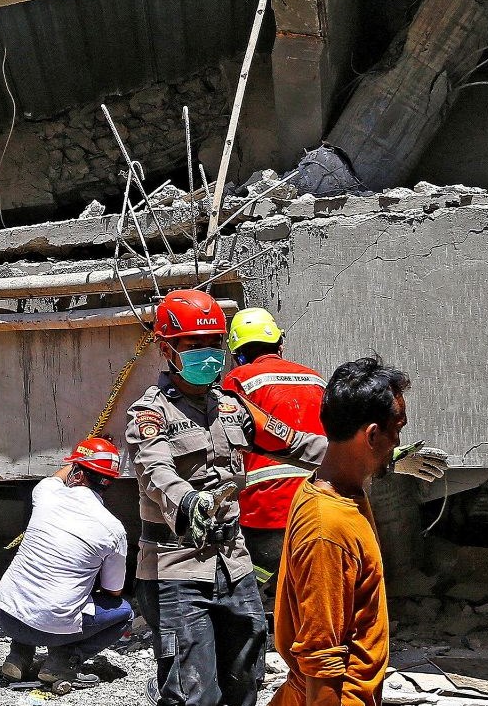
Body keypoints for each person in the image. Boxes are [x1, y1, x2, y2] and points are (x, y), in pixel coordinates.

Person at [126, 289, 328, 706]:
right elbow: (155, 470)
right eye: (193, 345)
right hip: (174, 568)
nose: (208, 353)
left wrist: (373, 452)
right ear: (167, 349)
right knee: (194, 692)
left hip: (234, 563)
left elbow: (297, 443)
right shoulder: (149, 413)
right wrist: (189, 502)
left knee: (245, 679)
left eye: (214, 342)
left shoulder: (235, 408)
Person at [271, 357, 415, 706]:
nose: (397, 442)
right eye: (396, 430)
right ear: (372, 435)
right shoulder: (328, 528)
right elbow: (321, 660)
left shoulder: (342, 488)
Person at [0, 437, 133, 695]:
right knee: (124, 611)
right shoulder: (114, 530)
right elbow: (114, 592)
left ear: (78, 474)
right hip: (53, 628)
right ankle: (62, 661)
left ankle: (18, 657)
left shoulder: (46, 494)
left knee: (31, 585)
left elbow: (59, 475)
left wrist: (83, 454)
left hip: (8, 615)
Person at [221, 308, 327, 599]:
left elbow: (228, 436)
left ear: (237, 353)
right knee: (311, 577)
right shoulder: (315, 379)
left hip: (266, 505)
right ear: (280, 343)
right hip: (317, 497)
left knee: (248, 581)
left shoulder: (238, 379)